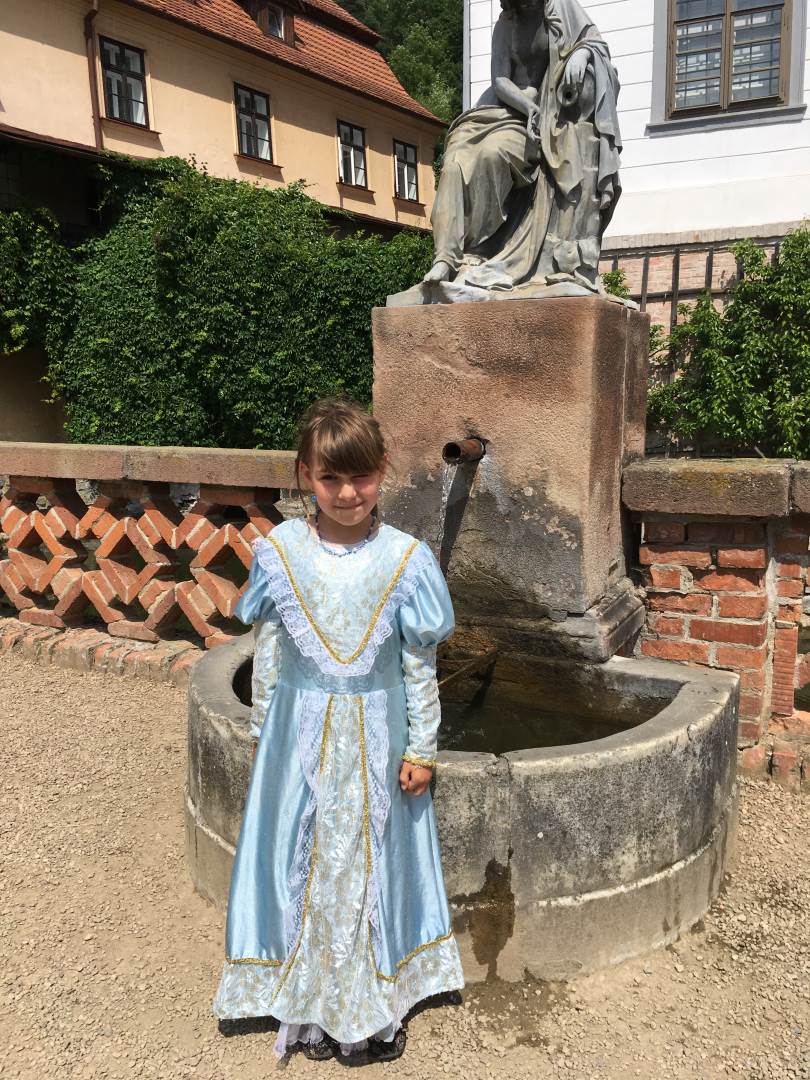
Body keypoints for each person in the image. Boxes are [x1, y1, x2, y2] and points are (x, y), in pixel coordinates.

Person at [213, 399, 464, 1061]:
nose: (348, 493)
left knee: (363, 867)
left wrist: (423, 747)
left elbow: (418, 664)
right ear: (306, 476)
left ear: (383, 470)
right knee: (305, 864)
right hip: (297, 735)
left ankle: (363, 1007)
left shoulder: (406, 561)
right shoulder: (281, 553)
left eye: (361, 477)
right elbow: (270, 651)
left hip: (377, 738)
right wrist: (264, 733)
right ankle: (307, 998)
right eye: (331, 479)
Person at [424, 0, 621, 294]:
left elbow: (595, 44)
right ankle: (446, 256)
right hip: (504, 109)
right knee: (455, 161)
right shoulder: (507, 24)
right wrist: (529, 108)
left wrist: (582, 55)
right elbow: (500, 80)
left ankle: (481, 247)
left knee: (493, 154)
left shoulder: (562, 8)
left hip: (540, 119)